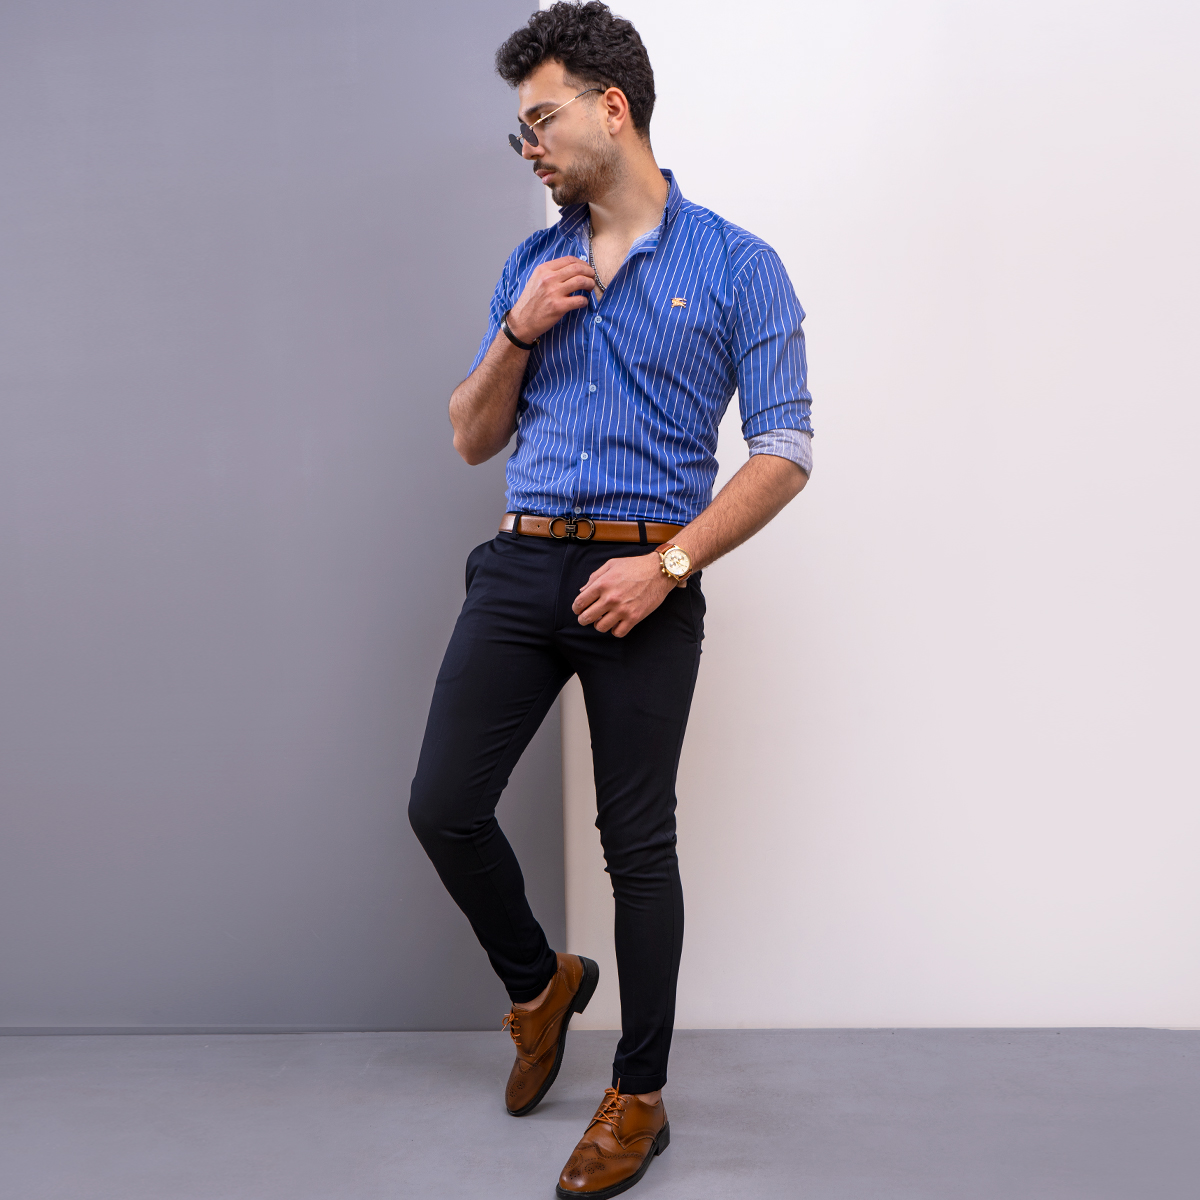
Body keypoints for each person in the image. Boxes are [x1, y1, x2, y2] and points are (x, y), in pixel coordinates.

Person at [408, 2, 812, 1195]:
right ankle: (540, 988)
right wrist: (515, 332)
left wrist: (669, 567)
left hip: (646, 577)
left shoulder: (738, 265)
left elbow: (785, 450)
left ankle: (639, 1098)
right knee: (442, 806)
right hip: (523, 561)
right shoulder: (531, 265)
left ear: (612, 108)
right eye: (520, 129)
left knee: (638, 845)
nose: (527, 146)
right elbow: (469, 435)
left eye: (540, 120)